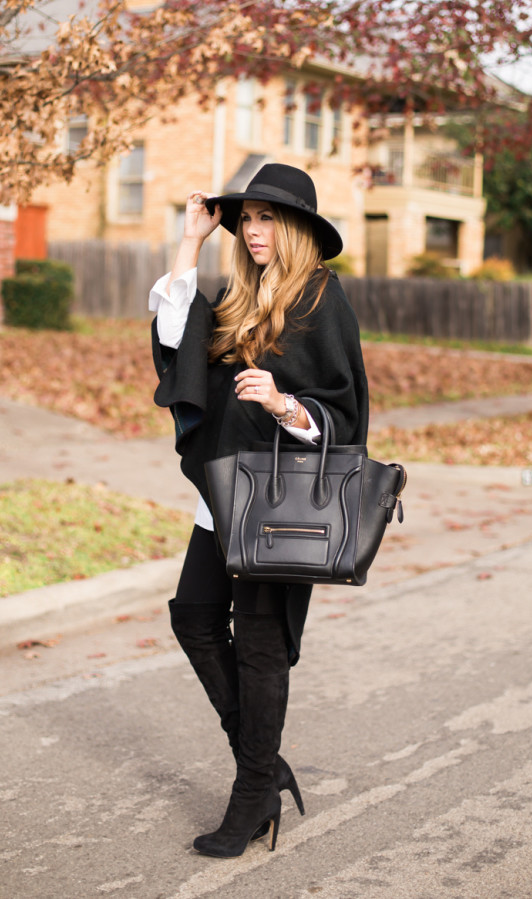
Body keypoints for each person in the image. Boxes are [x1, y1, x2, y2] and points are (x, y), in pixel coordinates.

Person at [149, 163, 369, 859]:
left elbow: (344, 405)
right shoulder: (238, 294)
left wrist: (282, 402)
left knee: (264, 647)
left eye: (267, 217)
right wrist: (190, 242)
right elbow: (175, 342)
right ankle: (265, 767)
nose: (252, 230)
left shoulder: (322, 300)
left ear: (297, 226)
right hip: (224, 496)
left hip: (282, 503)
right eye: (245, 218)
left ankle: (251, 798)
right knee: (194, 615)